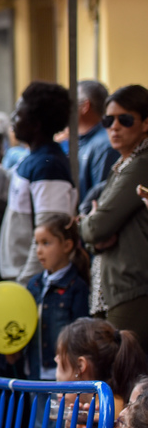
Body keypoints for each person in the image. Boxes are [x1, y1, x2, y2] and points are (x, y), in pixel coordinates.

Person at [79, 84, 148, 351]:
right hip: (115, 287)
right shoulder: (124, 164)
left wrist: (90, 227)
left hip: (131, 287)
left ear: (144, 124)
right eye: (109, 120)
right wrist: (93, 233)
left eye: (125, 119)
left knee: (122, 374)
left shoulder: (141, 164)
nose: (114, 127)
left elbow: (96, 227)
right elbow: (94, 231)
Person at [0, 82, 79, 287]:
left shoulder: (48, 166)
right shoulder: (33, 158)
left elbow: (50, 236)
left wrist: (25, 284)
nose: (12, 119)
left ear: (36, 124)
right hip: (20, 277)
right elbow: (2, 187)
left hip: (32, 283)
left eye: (18, 114)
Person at [24, 214, 90, 381]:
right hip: (35, 373)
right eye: (36, 243)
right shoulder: (34, 284)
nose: (39, 250)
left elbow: (80, 335)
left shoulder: (77, 286)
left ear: (67, 245)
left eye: (46, 243)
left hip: (64, 375)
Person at [59, 80, 119, 203]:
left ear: (85, 106)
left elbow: (100, 199)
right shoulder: (83, 140)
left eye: (70, 104)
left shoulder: (104, 145)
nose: (65, 110)